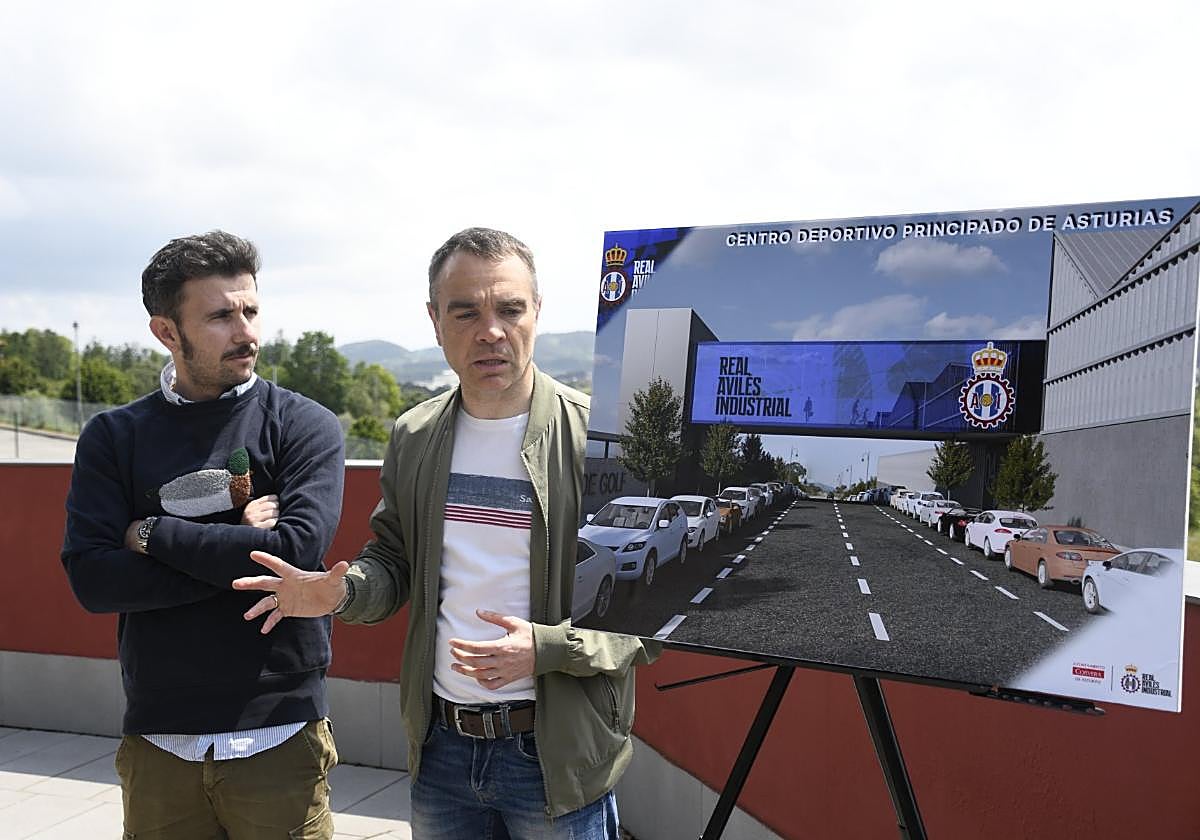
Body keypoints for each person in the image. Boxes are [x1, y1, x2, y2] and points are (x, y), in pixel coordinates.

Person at [235, 227, 657, 839]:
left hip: (556, 754)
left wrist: (545, 650)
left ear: (537, 311)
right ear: (435, 321)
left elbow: (649, 618)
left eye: (510, 309)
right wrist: (343, 591)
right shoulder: (415, 435)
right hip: (442, 751)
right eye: (466, 312)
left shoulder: (602, 440)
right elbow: (395, 559)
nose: (491, 331)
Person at [61, 230, 345, 839]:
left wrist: (153, 533)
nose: (246, 332)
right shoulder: (114, 437)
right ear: (167, 332)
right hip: (160, 738)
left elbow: (294, 552)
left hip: (280, 733)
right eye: (220, 315)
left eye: (250, 310)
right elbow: (92, 578)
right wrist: (237, 550)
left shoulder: (303, 424)